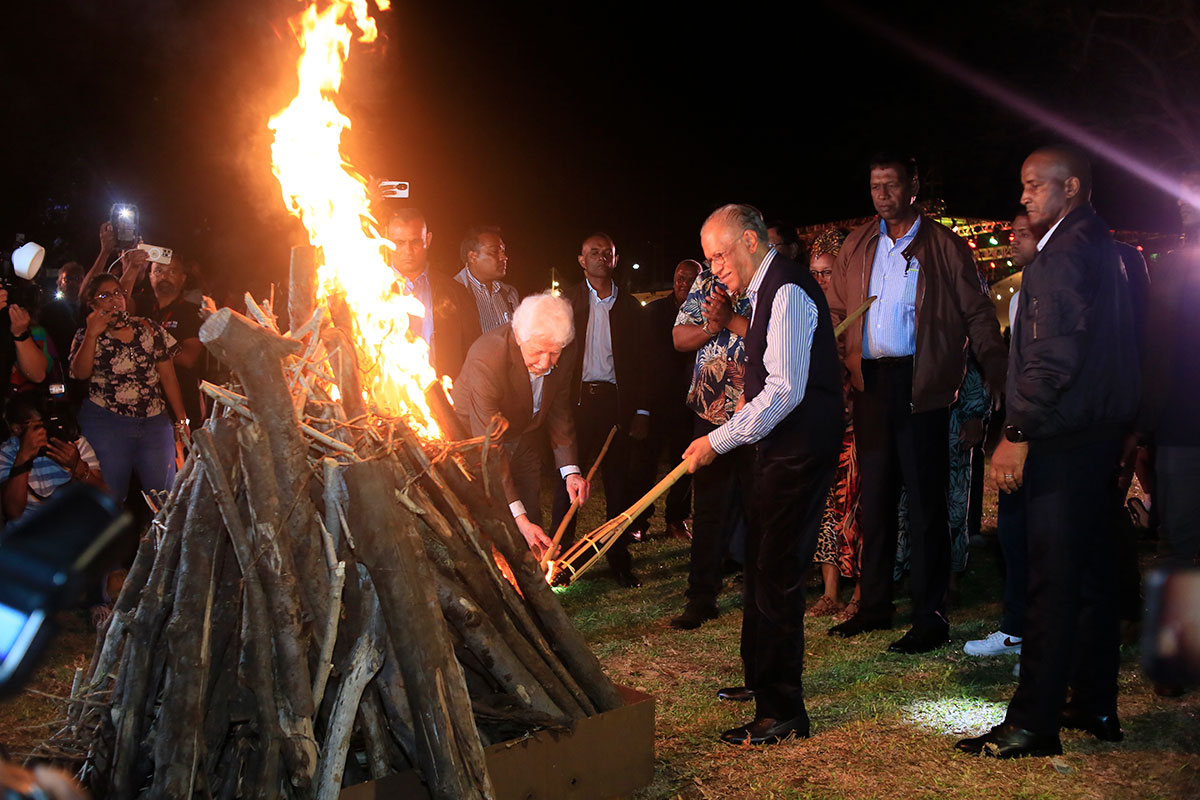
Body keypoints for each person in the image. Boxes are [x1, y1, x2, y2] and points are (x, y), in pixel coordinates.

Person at [957, 145, 1139, 758]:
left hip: (1062, 437)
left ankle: (1034, 721)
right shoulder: (1106, 249)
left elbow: (1051, 358)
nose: (1024, 197)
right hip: (1097, 434)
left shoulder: (1061, 256)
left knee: (1051, 581)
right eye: (1024, 185)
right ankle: (1093, 701)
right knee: (1090, 576)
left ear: (1073, 188)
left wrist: (1016, 434)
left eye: (1036, 186)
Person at [826, 152, 1007, 655]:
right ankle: (874, 606)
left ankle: (930, 617)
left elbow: (976, 312)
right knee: (876, 499)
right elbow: (837, 307)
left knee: (926, 506)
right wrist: (845, 358)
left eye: (890, 185)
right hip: (872, 384)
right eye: (874, 186)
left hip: (922, 385)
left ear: (913, 187)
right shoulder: (860, 243)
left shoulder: (944, 246)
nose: (881, 194)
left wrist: (995, 366)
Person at [682, 204, 842, 746]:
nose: (715, 269)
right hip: (773, 449)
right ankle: (760, 678)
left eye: (720, 256)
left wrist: (716, 439)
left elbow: (785, 390)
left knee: (776, 571)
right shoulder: (763, 291)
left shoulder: (790, 288)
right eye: (709, 259)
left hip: (797, 450)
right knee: (758, 563)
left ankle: (783, 708)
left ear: (751, 241)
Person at [452, 292, 589, 557]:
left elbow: (559, 409)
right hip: (473, 438)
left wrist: (570, 471)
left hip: (525, 433)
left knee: (529, 508)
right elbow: (490, 447)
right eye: (537, 352)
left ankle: (533, 577)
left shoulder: (564, 348)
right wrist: (518, 518)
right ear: (518, 336)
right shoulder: (488, 356)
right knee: (491, 517)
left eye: (554, 353)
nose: (546, 363)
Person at [550, 233, 649, 588]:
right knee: (570, 482)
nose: (600, 258)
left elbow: (641, 363)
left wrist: (641, 411)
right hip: (577, 403)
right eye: (593, 252)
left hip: (615, 403)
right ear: (581, 259)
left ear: (615, 259)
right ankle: (557, 560)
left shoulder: (629, 307)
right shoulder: (568, 302)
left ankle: (619, 559)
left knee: (619, 487)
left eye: (606, 253)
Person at [963, 212, 1040, 659]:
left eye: (1023, 234)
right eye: (1013, 234)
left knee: (1045, 537)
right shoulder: (1016, 297)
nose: (1013, 242)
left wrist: (1018, 431)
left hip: (1045, 429)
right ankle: (1015, 628)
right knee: (1012, 529)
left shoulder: (1059, 287)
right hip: (1019, 422)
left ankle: (1044, 642)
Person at [669, 251, 755, 629]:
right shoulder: (705, 282)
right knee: (707, 509)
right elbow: (679, 338)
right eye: (712, 253)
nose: (717, 259)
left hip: (758, 414)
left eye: (722, 250)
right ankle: (701, 597)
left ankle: (760, 593)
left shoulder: (767, 283)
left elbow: (776, 340)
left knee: (759, 507)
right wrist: (712, 327)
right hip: (709, 412)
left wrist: (730, 321)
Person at [69, 274, 188, 505]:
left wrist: (181, 418)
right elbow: (79, 373)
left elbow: (168, 376)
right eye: (105, 296)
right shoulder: (85, 335)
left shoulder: (148, 328)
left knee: (165, 496)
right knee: (110, 496)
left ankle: (163, 539)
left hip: (154, 422)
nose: (115, 299)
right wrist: (92, 333)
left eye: (118, 293)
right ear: (92, 305)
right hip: (107, 422)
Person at [1139, 167, 1200, 573]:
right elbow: (1156, 346)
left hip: (1180, 420)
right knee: (1177, 535)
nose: (1180, 199)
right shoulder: (1176, 264)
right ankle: (1176, 632)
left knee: (1177, 538)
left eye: (1192, 191)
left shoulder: (1178, 266)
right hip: (1180, 419)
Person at [805, 228, 861, 619]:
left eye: (828, 272)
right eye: (815, 272)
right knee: (825, 506)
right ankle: (829, 591)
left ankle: (861, 590)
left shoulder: (858, 309)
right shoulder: (808, 311)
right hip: (820, 425)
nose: (821, 280)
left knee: (856, 506)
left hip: (858, 424)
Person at [628, 259, 700, 541]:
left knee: (684, 467)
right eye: (680, 278)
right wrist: (642, 408)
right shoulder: (655, 312)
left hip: (689, 404)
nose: (684, 283)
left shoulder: (706, 313)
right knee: (643, 468)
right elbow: (643, 362)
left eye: (690, 279)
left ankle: (677, 520)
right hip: (655, 403)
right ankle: (638, 521)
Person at [385, 208, 481, 380]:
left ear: (427, 240)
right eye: (399, 243)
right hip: (385, 397)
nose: (408, 251)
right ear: (386, 240)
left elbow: (472, 350)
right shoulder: (370, 291)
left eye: (415, 242)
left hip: (443, 397)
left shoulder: (454, 292)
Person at [123, 252, 206, 429]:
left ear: (183, 279)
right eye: (159, 271)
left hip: (180, 404)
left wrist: (147, 343)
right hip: (139, 404)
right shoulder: (140, 304)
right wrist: (131, 268)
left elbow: (188, 358)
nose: (165, 276)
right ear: (150, 275)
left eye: (172, 271)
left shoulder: (192, 313)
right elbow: (117, 309)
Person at [0, 395, 106, 521]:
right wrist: (23, 458)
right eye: (40, 426)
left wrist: (77, 466)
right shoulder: (9, 451)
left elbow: (103, 496)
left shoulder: (75, 444)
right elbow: (13, 512)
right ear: (17, 429)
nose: (47, 431)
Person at [454, 225, 520, 335]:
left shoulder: (509, 294)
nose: (504, 257)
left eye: (503, 251)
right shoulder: (453, 293)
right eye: (495, 251)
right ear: (472, 257)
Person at [39, 260, 85, 367]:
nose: (72, 283)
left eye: (77, 279)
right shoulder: (48, 311)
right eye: (68, 279)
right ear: (60, 283)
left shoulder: (90, 309)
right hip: (59, 364)